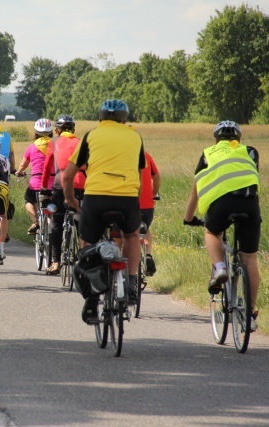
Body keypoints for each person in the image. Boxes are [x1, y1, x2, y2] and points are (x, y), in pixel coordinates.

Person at [63, 99, 146, 323]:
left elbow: (68, 176)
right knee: (131, 236)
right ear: (125, 119)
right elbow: (139, 175)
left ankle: (91, 299)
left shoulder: (91, 136)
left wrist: (71, 200)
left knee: (87, 243)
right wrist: (134, 202)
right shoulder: (135, 137)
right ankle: (129, 284)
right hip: (127, 198)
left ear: (100, 119)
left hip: (96, 197)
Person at [184, 120, 260, 331]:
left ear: (216, 139)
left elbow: (195, 190)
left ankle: (220, 268)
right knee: (250, 258)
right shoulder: (251, 152)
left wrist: (188, 218)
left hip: (221, 205)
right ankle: (250, 314)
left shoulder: (208, 153)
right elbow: (253, 181)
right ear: (239, 139)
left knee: (212, 232)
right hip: (250, 205)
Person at [39, 114, 86, 275]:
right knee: (81, 220)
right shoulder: (81, 142)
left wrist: (44, 188)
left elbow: (47, 166)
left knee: (57, 221)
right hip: (80, 181)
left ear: (57, 130)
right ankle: (83, 259)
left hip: (61, 181)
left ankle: (56, 262)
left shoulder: (54, 141)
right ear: (73, 129)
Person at [14, 118, 55, 236]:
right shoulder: (56, 145)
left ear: (35, 133)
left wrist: (19, 172)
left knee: (28, 199)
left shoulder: (32, 147)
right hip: (53, 184)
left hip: (36, 184)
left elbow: (23, 165)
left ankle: (35, 221)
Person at [139, 151, 160, 276]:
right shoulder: (146, 155)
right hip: (147, 205)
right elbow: (156, 176)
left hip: (127, 202)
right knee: (145, 229)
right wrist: (154, 193)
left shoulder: (121, 154)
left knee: (122, 233)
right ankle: (147, 255)